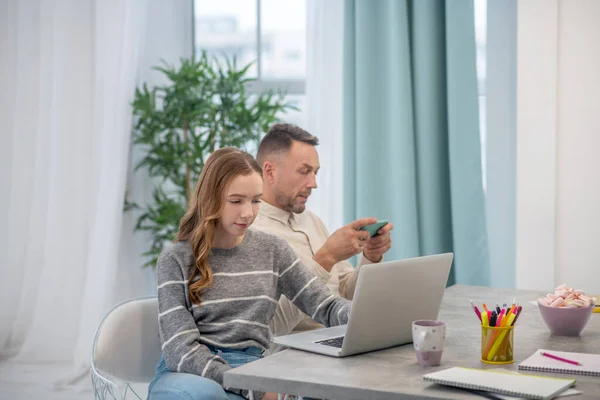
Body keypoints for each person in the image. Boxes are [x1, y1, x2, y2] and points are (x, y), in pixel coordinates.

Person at [148, 147, 351, 400]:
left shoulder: (273, 249)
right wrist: (252, 388)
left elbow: (327, 306)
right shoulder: (175, 259)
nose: (248, 213)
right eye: (236, 201)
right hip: (189, 375)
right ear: (210, 198)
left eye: (256, 200)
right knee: (207, 395)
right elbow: (180, 351)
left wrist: (364, 320)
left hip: (254, 367)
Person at [253, 123, 393, 336]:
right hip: (298, 353)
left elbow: (346, 293)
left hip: (341, 335)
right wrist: (327, 257)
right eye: (304, 171)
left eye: (315, 172)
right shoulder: (251, 232)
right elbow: (269, 326)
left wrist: (370, 258)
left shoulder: (312, 221)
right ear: (269, 171)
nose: (314, 183)